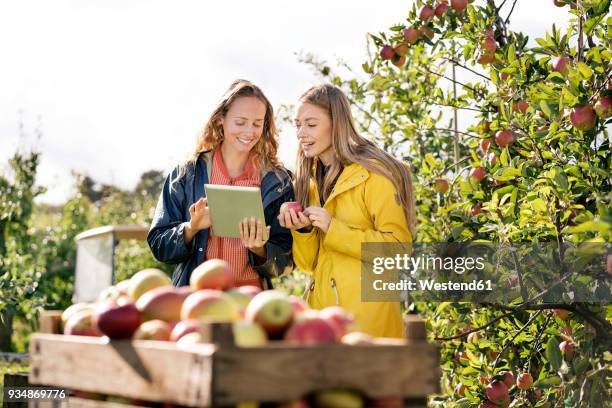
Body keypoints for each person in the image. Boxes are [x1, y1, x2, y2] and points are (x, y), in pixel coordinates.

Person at [279, 84, 416, 338]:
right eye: (297, 124)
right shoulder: (309, 181)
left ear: (337, 123)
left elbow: (399, 249)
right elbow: (309, 264)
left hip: (367, 322)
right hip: (322, 321)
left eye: (311, 124)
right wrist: (304, 229)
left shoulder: (372, 175)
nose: (301, 133)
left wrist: (334, 229)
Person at [148, 79, 294, 289]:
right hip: (197, 298)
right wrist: (190, 228)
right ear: (220, 120)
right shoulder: (187, 173)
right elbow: (158, 245)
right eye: (240, 122)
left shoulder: (277, 181)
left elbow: (287, 261)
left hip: (252, 301)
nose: (249, 131)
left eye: (257, 123)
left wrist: (260, 250)